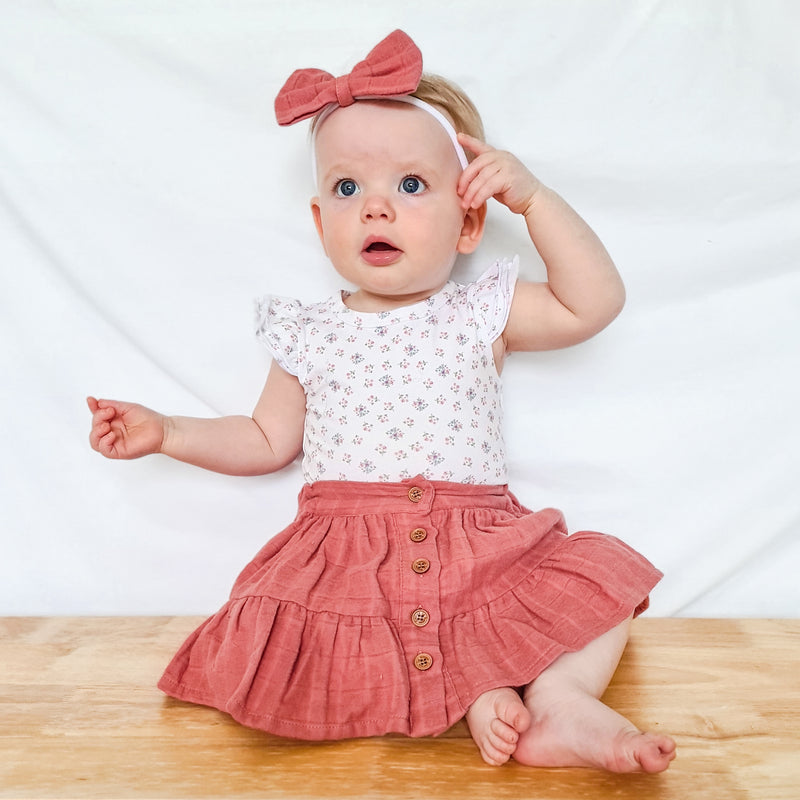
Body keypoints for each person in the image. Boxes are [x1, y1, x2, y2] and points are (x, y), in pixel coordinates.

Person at [87, 30, 676, 772]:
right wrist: (169, 431)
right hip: (345, 556)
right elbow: (266, 439)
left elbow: (593, 302)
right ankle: (481, 693)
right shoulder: (307, 332)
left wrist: (533, 201)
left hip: (479, 545)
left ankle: (559, 697)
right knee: (318, 629)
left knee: (602, 577)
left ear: (468, 221)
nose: (375, 209)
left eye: (410, 186)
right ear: (319, 222)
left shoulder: (482, 313)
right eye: (347, 189)